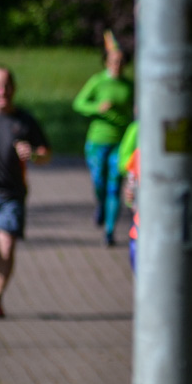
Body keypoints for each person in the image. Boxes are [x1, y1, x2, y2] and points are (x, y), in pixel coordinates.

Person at [0, 67, 51, 320]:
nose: (2, 92)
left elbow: (46, 154)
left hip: (10, 195)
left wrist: (34, 154)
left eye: (6, 86)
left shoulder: (24, 121)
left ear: (13, 89)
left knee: (6, 248)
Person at [72, 31, 134, 246]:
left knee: (114, 186)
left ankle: (109, 231)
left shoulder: (129, 86)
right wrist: (97, 108)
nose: (117, 65)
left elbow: (137, 111)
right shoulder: (97, 82)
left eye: (121, 61)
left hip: (120, 142)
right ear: (106, 62)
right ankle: (100, 205)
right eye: (114, 61)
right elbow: (79, 104)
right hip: (97, 142)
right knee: (99, 182)